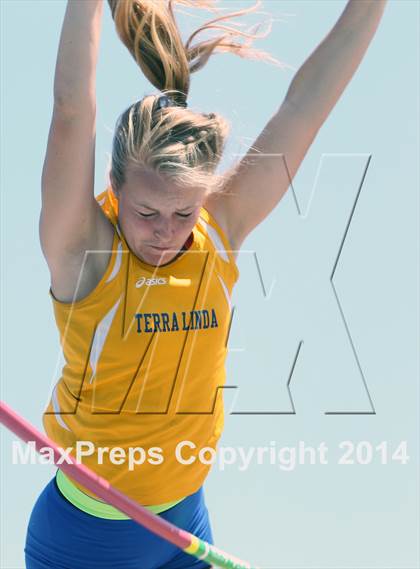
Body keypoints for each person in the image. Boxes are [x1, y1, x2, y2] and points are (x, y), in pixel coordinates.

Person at [24, 0, 387, 567]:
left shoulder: (219, 234)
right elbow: (72, 111)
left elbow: (304, 107)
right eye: (146, 213)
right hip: (87, 539)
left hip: (185, 523)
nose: (166, 233)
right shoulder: (86, 253)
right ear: (114, 185)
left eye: (183, 213)